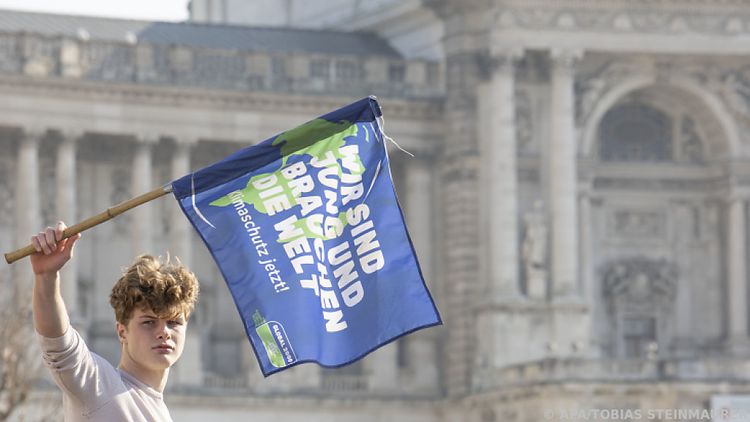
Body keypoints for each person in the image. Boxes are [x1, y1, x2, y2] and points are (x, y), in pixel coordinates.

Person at [30, 221, 199, 421]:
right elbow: (60, 347)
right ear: (122, 331)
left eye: (173, 322)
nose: (164, 332)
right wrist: (46, 277)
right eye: (149, 322)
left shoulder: (160, 411)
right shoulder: (101, 388)